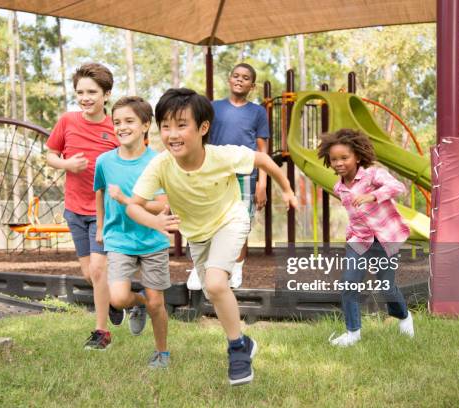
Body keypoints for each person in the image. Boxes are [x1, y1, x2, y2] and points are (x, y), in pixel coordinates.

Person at [126, 88, 297, 386]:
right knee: (213, 292)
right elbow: (133, 206)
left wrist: (287, 190)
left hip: (230, 220)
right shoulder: (161, 165)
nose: (172, 134)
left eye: (181, 125)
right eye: (165, 126)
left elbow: (264, 160)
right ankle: (244, 342)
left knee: (217, 283)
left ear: (203, 128)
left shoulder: (222, 155)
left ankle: (236, 351)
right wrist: (154, 220)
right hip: (198, 235)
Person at [45, 62, 123, 350]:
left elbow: (130, 160)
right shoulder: (67, 121)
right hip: (74, 208)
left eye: (92, 92)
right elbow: (50, 154)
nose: (85, 97)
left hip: (105, 211)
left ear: (106, 94)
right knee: (89, 274)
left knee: (99, 271)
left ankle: (101, 332)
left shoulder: (116, 127)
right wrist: (67, 164)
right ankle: (115, 303)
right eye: (80, 92)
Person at [317, 128, 415, 347]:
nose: (339, 163)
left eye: (344, 157)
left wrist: (372, 195)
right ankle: (353, 333)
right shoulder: (339, 188)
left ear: (357, 157)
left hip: (385, 238)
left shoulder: (372, 174)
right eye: (334, 159)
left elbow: (397, 187)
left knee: (386, 286)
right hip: (359, 240)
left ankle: (405, 317)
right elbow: (354, 216)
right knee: (349, 283)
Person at [93, 96, 171, 367]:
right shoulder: (104, 161)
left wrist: (127, 200)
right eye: (117, 122)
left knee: (157, 303)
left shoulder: (159, 161)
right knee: (117, 297)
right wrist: (101, 226)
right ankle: (137, 304)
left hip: (152, 239)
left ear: (145, 125)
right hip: (119, 239)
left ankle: (162, 353)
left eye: (129, 121)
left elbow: (161, 205)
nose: (121, 127)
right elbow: (100, 193)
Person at [186, 62, 270, 290]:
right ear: (229, 79)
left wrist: (262, 183)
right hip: (214, 173)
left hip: (245, 174)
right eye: (236, 76)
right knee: (207, 219)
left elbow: (262, 151)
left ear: (252, 85)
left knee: (241, 223)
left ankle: (236, 268)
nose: (240, 80)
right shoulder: (213, 108)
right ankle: (200, 267)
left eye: (245, 78)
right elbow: (200, 139)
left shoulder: (257, 112)